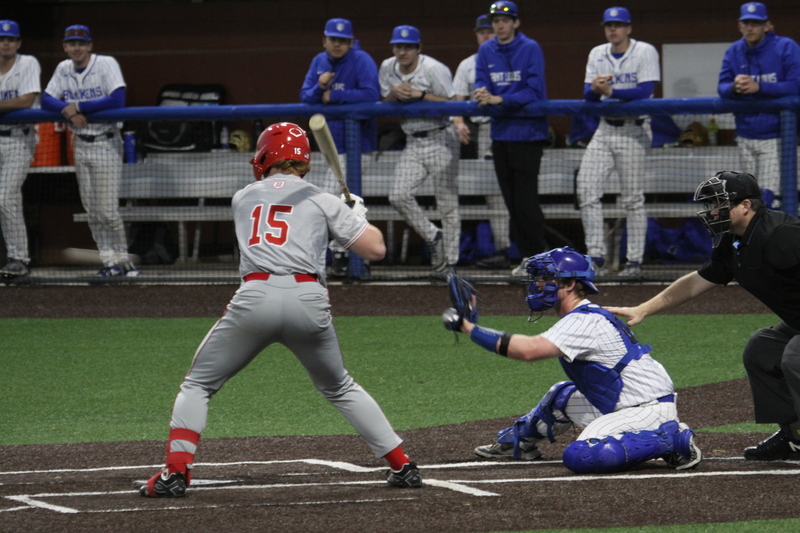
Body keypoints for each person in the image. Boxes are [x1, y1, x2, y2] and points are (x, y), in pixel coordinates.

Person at [140, 123, 421, 498]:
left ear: (265, 156)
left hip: (255, 299)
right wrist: (355, 216)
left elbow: (284, 215)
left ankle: (176, 473)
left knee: (198, 385)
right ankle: (402, 465)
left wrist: (342, 213)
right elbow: (375, 250)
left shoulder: (243, 197)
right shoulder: (323, 199)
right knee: (339, 386)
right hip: (308, 301)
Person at [443, 247, 701, 473]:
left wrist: (468, 328)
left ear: (568, 284)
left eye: (545, 278)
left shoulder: (583, 321)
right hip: (621, 402)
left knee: (582, 456)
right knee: (562, 396)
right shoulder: (581, 316)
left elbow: (529, 350)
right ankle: (517, 443)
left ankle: (671, 440)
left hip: (645, 410)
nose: (537, 284)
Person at [607, 170, 800, 461]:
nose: (712, 211)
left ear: (745, 205)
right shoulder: (733, 242)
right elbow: (697, 281)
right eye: (711, 204)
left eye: (719, 204)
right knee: (762, 348)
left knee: (795, 355)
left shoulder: (782, 235)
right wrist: (643, 309)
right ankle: (795, 435)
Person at [41, 24, 137, 277]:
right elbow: (46, 99)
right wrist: (68, 111)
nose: (77, 48)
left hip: (106, 142)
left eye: (82, 43)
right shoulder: (63, 68)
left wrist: (79, 106)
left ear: (90, 46)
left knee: (107, 211)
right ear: (65, 47)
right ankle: (109, 262)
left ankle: (125, 262)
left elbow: (118, 99)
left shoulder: (105, 63)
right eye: (72, 43)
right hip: (81, 144)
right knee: (92, 211)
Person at [576, 7, 661, 278]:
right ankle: (596, 257)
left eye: (618, 25)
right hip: (604, 130)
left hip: (633, 130)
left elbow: (645, 90)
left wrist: (610, 90)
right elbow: (588, 95)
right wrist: (595, 89)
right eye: (608, 25)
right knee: (586, 190)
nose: (613, 29)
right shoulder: (597, 53)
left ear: (628, 28)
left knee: (633, 200)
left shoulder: (644, 51)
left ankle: (634, 261)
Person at [300, 18, 380, 278]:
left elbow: (372, 96)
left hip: (358, 148)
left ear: (351, 42)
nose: (337, 44)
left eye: (343, 41)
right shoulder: (318, 61)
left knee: (330, 201)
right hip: (329, 148)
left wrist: (333, 95)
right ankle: (348, 258)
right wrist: (320, 87)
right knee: (343, 204)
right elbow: (305, 97)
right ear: (324, 41)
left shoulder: (362, 60)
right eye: (333, 39)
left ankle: (343, 257)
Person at [474, 1, 549, 276]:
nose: (500, 25)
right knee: (511, 203)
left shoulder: (530, 48)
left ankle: (541, 260)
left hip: (528, 135)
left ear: (515, 23)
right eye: (495, 21)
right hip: (500, 134)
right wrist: (482, 93)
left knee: (526, 202)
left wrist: (499, 99)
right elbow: (481, 82)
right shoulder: (486, 50)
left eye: (505, 20)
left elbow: (534, 90)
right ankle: (528, 258)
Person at [379, 25, 460, 274]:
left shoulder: (433, 68)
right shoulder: (387, 67)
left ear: (418, 48)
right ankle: (433, 235)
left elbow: (455, 103)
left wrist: (421, 95)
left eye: (408, 47)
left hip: (441, 137)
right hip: (413, 140)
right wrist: (394, 93)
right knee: (398, 195)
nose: (402, 51)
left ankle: (450, 263)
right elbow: (382, 102)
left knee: (447, 204)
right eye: (398, 46)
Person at [718, 2, 800, 209]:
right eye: (746, 23)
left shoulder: (785, 47)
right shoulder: (734, 51)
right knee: (749, 198)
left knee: (768, 196)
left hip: (777, 135)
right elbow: (722, 87)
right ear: (740, 26)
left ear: (767, 25)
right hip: (745, 134)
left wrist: (759, 87)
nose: (750, 27)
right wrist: (734, 87)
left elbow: (796, 84)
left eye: (756, 23)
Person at [452, 15, 511, 270]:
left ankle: (504, 249)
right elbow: (456, 101)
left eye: (490, 31)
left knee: (497, 193)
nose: (486, 35)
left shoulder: (507, 59)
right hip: (472, 133)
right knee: (475, 192)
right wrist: (458, 122)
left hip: (499, 126)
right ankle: (457, 252)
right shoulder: (467, 64)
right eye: (481, 32)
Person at [0, 20, 40, 279]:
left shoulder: (28, 63)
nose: (6, 43)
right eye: (2, 39)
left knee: (5, 197)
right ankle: (16, 259)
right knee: (8, 199)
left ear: (18, 43)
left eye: (11, 39)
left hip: (18, 138)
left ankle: (18, 258)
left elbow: (27, 100)